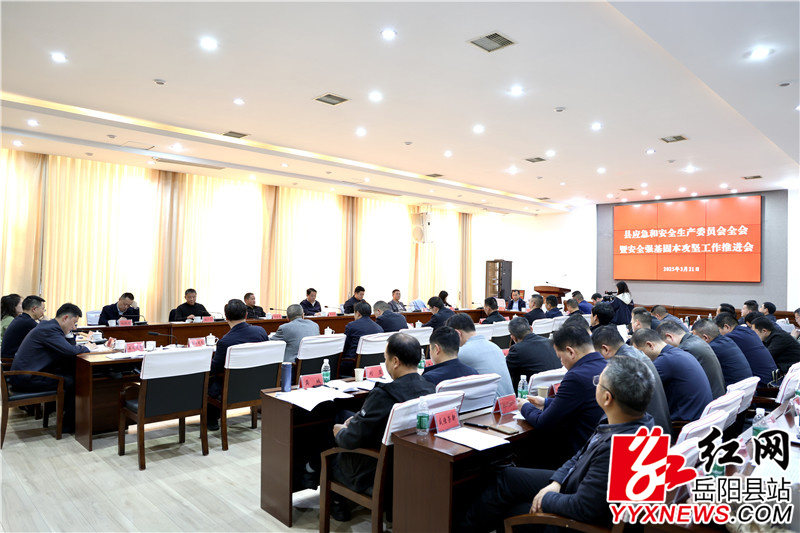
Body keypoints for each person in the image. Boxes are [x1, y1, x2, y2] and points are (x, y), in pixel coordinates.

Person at [460, 356, 655, 533]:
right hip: (577, 484)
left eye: (598, 382)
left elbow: (584, 508)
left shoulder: (617, 448)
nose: (595, 385)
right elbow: (581, 454)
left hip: (578, 519)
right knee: (507, 477)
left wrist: (546, 498)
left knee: (512, 511)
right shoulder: (634, 421)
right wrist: (557, 482)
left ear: (607, 398)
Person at [330, 332, 435, 520]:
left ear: (395, 361)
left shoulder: (383, 395)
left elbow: (350, 440)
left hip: (373, 471)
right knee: (346, 416)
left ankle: (337, 504)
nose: (385, 363)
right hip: (404, 466)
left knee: (330, 445)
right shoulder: (430, 388)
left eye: (385, 358)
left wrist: (340, 432)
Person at [515, 326, 607, 468]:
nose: (562, 363)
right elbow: (582, 402)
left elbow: (543, 422)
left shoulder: (575, 376)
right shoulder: (607, 366)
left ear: (570, 352)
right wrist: (546, 402)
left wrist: (524, 407)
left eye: (560, 357)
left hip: (579, 459)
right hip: (600, 450)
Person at [10, 303, 105, 433]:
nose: (74, 327)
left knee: (69, 374)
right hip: (27, 378)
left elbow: (67, 349)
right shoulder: (50, 330)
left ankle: (60, 413)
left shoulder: (50, 326)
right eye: (74, 323)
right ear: (65, 318)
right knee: (74, 381)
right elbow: (69, 351)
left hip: (28, 373)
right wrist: (88, 347)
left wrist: (69, 334)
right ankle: (68, 425)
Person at [592, 325, 672, 436]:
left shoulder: (622, 365)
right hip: (657, 427)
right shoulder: (636, 353)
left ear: (605, 349)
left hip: (644, 434)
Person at [208, 299, 270, 430]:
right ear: (246, 315)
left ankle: (212, 420)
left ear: (226, 317)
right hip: (258, 384)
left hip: (232, 390)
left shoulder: (225, 342)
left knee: (210, 380)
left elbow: (214, 369)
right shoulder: (261, 332)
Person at [632, 328, 712, 422]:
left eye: (640, 353)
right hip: (700, 416)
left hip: (684, 423)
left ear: (650, 345)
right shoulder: (677, 353)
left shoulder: (665, 360)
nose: (639, 358)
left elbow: (637, 387)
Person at [446, 313, 514, 398]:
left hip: (490, 405)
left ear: (457, 333)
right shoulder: (495, 347)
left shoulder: (462, 352)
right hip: (510, 402)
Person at [656, 320, 725, 399]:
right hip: (716, 394)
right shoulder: (695, 339)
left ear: (669, 337)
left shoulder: (685, 348)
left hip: (710, 399)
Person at [714, 312, 777, 386]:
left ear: (727, 327)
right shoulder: (748, 331)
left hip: (762, 384)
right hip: (772, 380)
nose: (717, 334)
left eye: (718, 330)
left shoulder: (731, 337)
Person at [691, 318, 752, 387]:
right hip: (745, 388)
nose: (692, 340)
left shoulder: (711, 349)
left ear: (705, 338)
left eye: (694, 337)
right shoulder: (727, 340)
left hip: (733, 390)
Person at [505, 316, 561, 388]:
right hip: (556, 388)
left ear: (513, 338)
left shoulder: (517, 350)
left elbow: (505, 373)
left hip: (531, 392)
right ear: (531, 328)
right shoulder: (551, 342)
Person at [342, 301, 383, 374]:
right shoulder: (379, 328)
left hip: (352, 364)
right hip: (373, 365)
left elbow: (344, 347)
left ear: (358, 313)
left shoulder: (351, 326)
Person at [1, 295, 46, 360]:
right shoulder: (27, 322)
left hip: (12, 359)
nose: (43, 313)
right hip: (11, 362)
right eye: (43, 309)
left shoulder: (21, 319)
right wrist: (45, 322)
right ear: (34, 309)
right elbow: (46, 335)